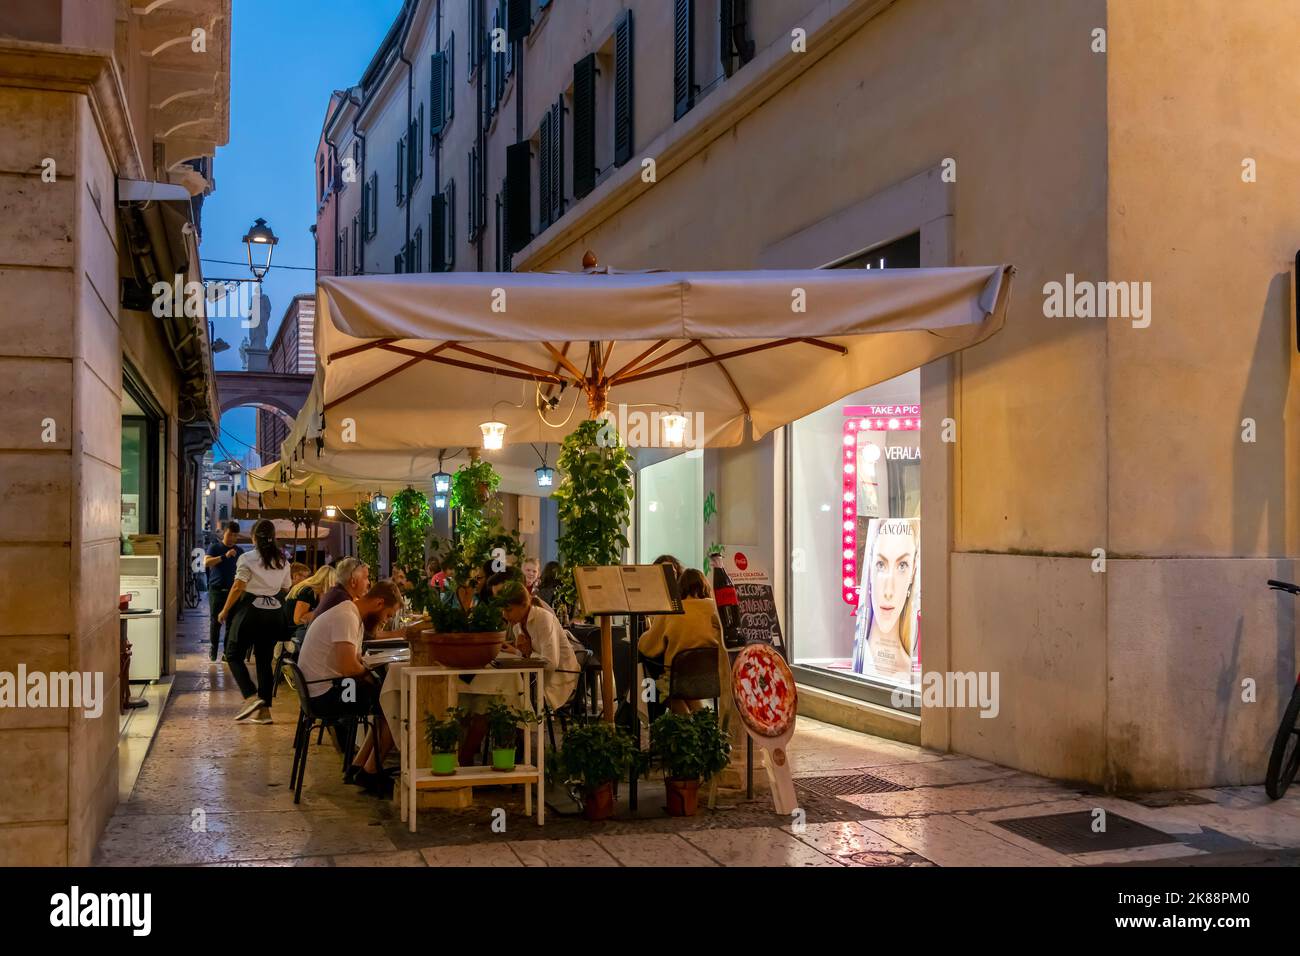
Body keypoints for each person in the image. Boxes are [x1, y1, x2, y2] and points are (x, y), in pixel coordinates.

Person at [457, 580, 579, 763]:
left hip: (557, 678)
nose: (505, 615)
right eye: (503, 611)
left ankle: (509, 752)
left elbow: (551, 663)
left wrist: (527, 652)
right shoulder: (517, 626)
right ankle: (503, 753)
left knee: (497, 698)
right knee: (490, 696)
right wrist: (518, 651)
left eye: (509, 610)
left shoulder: (543, 619)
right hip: (532, 677)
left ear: (524, 605)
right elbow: (527, 656)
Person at [296, 581, 403, 790]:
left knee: (384, 697)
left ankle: (359, 766)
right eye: (388, 615)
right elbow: (348, 668)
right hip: (327, 695)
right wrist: (369, 674)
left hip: (322, 689)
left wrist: (365, 670)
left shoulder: (350, 612)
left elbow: (352, 661)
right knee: (394, 701)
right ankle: (371, 772)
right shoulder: (346, 616)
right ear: (379, 603)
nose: (385, 621)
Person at [217, 519, 291, 724]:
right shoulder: (283, 561)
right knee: (264, 660)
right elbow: (285, 588)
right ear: (273, 537)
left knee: (232, 654)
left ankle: (250, 696)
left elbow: (238, 586)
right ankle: (264, 711)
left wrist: (224, 610)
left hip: (250, 611)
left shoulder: (247, 558)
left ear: (253, 538)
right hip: (274, 614)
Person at [638, 568, 726, 715]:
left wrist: (643, 635)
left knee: (660, 687)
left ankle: (687, 725)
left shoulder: (670, 610)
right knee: (687, 686)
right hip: (712, 679)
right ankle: (704, 725)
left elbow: (647, 647)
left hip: (677, 681)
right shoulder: (716, 609)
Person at [852, 517, 919, 683]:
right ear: (869, 568)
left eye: (902, 566)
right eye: (881, 565)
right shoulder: (861, 660)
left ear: (913, 572)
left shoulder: (907, 670)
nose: (889, 591)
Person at [203, 521, 243, 662]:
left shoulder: (240, 552)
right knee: (216, 621)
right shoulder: (215, 547)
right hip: (217, 590)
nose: (232, 538)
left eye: (235, 535)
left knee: (231, 623)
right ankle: (213, 648)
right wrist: (224, 556)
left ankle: (227, 651)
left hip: (233, 592)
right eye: (230, 534)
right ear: (224, 533)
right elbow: (206, 563)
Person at [287, 565, 336, 642]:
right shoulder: (309, 591)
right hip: (292, 632)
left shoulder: (314, 591)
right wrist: (323, 608)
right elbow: (298, 619)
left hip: (298, 631)